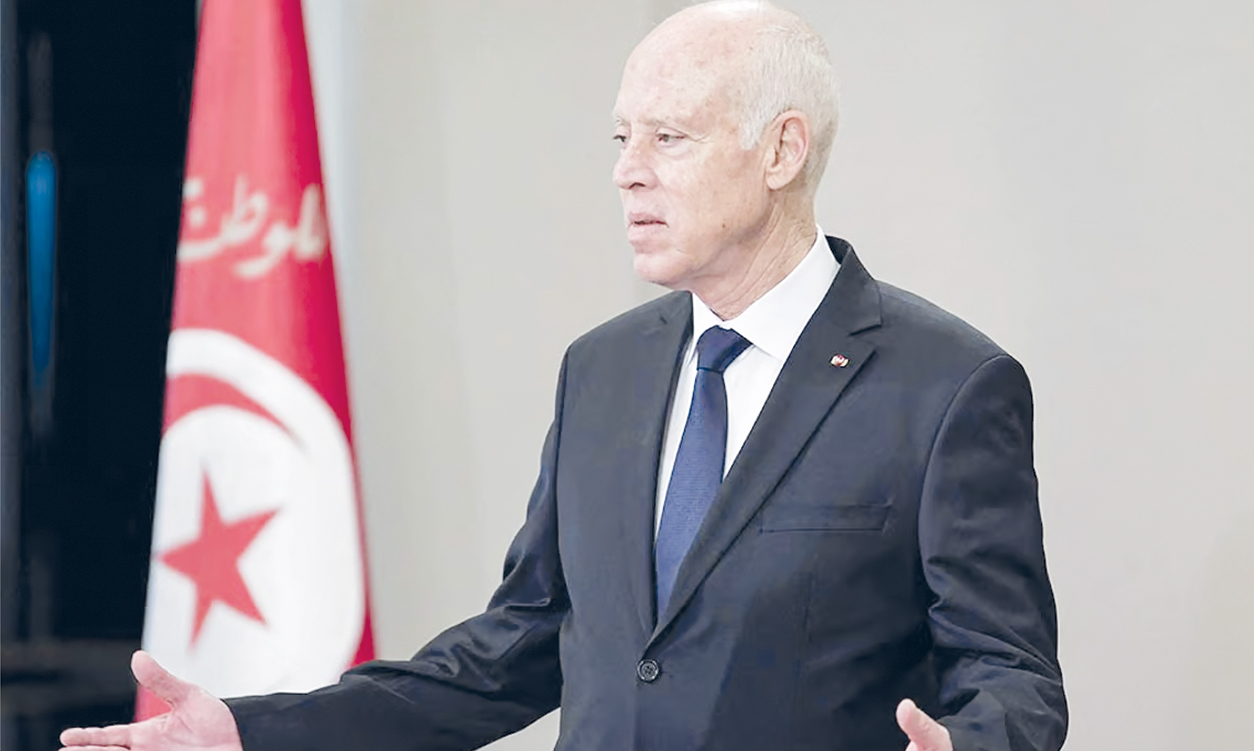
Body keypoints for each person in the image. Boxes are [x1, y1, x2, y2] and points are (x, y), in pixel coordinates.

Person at [61, 2, 1066, 750]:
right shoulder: (603, 369)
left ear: (781, 151)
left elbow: (1012, 673)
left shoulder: (944, 387)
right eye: (623, 138)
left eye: (669, 137)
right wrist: (251, 730)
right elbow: (519, 643)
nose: (628, 169)